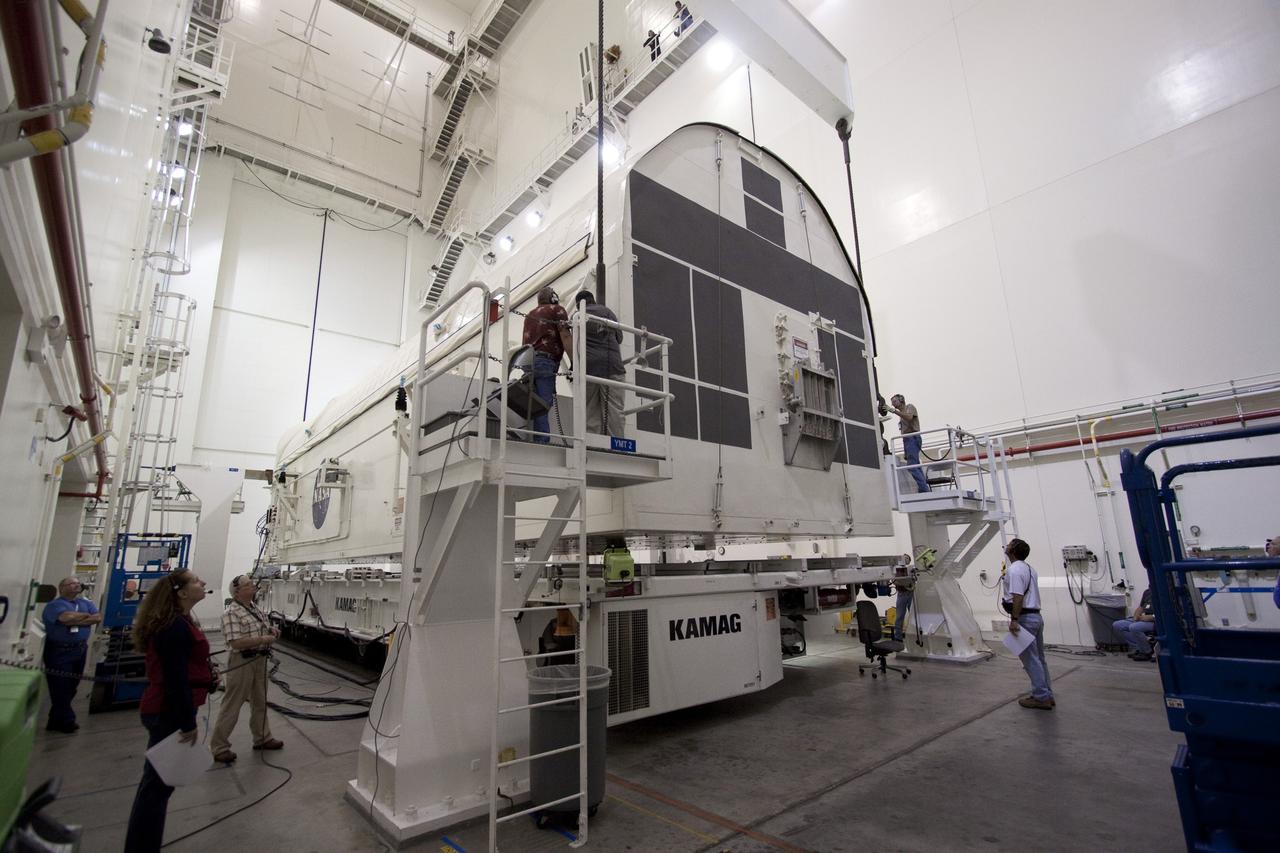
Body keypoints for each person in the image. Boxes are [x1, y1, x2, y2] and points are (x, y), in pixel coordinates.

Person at [123, 569, 214, 853]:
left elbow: (184, 668)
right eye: (197, 581)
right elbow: (175, 679)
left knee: (157, 785)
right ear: (182, 592)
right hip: (167, 712)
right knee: (157, 787)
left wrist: (206, 678)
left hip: (166, 708)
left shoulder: (179, 622)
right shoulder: (173, 627)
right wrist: (187, 722)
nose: (203, 584)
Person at [209, 574, 282, 764]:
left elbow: (261, 627)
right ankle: (219, 747)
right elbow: (236, 642)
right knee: (233, 703)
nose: (253, 585)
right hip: (242, 661)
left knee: (260, 700)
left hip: (259, 660)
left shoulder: (254, 608)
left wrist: (271, 631)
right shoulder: (231, 613)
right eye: (248, 584)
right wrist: (263, 639)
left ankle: (263, 737)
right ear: (238, 591)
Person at [40, 576, 101, 733]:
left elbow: (98, 617)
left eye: (77, 583)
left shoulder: (85, 603)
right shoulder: (54, 605)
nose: (77, 585)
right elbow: (64, 618)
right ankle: (67, 721)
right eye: (72, 583)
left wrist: (75, 619)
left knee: (72, 686)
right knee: (60, 686)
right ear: (62, 588)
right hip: (59, 651)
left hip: (79, 650)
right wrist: (85, 617)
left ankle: (54, 720)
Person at [1003, 538, 1054, 710]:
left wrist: (1015, 619)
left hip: (1024, 618)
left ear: (1013, 550)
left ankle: (1041, 697)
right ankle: (1047, 693)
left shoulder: (1015, 570)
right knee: (1039, 658)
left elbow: (1018, 596)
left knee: (1030, 660)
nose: (1006, 546)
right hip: (1036, 617)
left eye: (1009, 545)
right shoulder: (1029, 569)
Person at [521, 286, 572, 444]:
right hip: (545, 361)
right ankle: (542, 440)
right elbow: (565, 335)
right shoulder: (557, 309)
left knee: (535, 403)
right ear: (554, 298)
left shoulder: (530, 314)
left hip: (526, 361)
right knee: (544, 403)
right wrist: (575, 363)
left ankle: (537, 438)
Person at [574, 288, 624, 436]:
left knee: (590, 409)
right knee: (614, 409)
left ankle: (592, 443)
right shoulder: (608, 313)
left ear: (578, 305)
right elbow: (619, 338)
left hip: (589, 368)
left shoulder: (577, 316)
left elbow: (575, 344)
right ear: (593, 300)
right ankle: (617, 445)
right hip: (613, 367)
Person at [887, 393, 929, 493]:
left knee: (912, 465)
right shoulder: (901, 415)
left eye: (895, 401)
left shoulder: (910, 407)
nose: (893, 404)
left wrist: (895, 412)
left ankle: (924, 489)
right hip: (907, 440)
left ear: (901, 400)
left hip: (913, 438)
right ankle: (924, 488)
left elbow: (909, 417)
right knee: (915, 464)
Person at [1112, 587, 1156, 661]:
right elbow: (1141, 608)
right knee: (1118, 624)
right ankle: (1139, 648)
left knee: (1134, 627)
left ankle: (1147, 652)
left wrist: (1150, 617)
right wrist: (1136, 616)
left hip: (1155, 622)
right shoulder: (1147, 592)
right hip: (1143, 619)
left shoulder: (1164, 592)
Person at [892, 562, 915, 642]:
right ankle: (898, 637)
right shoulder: (896, 569)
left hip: (911, 593)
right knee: (899, 616)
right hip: (901, 594)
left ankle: (914, 635)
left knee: (913, 616)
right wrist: (903, 583)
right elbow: (894, 580)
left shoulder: (911, 568)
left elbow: (915, 579)